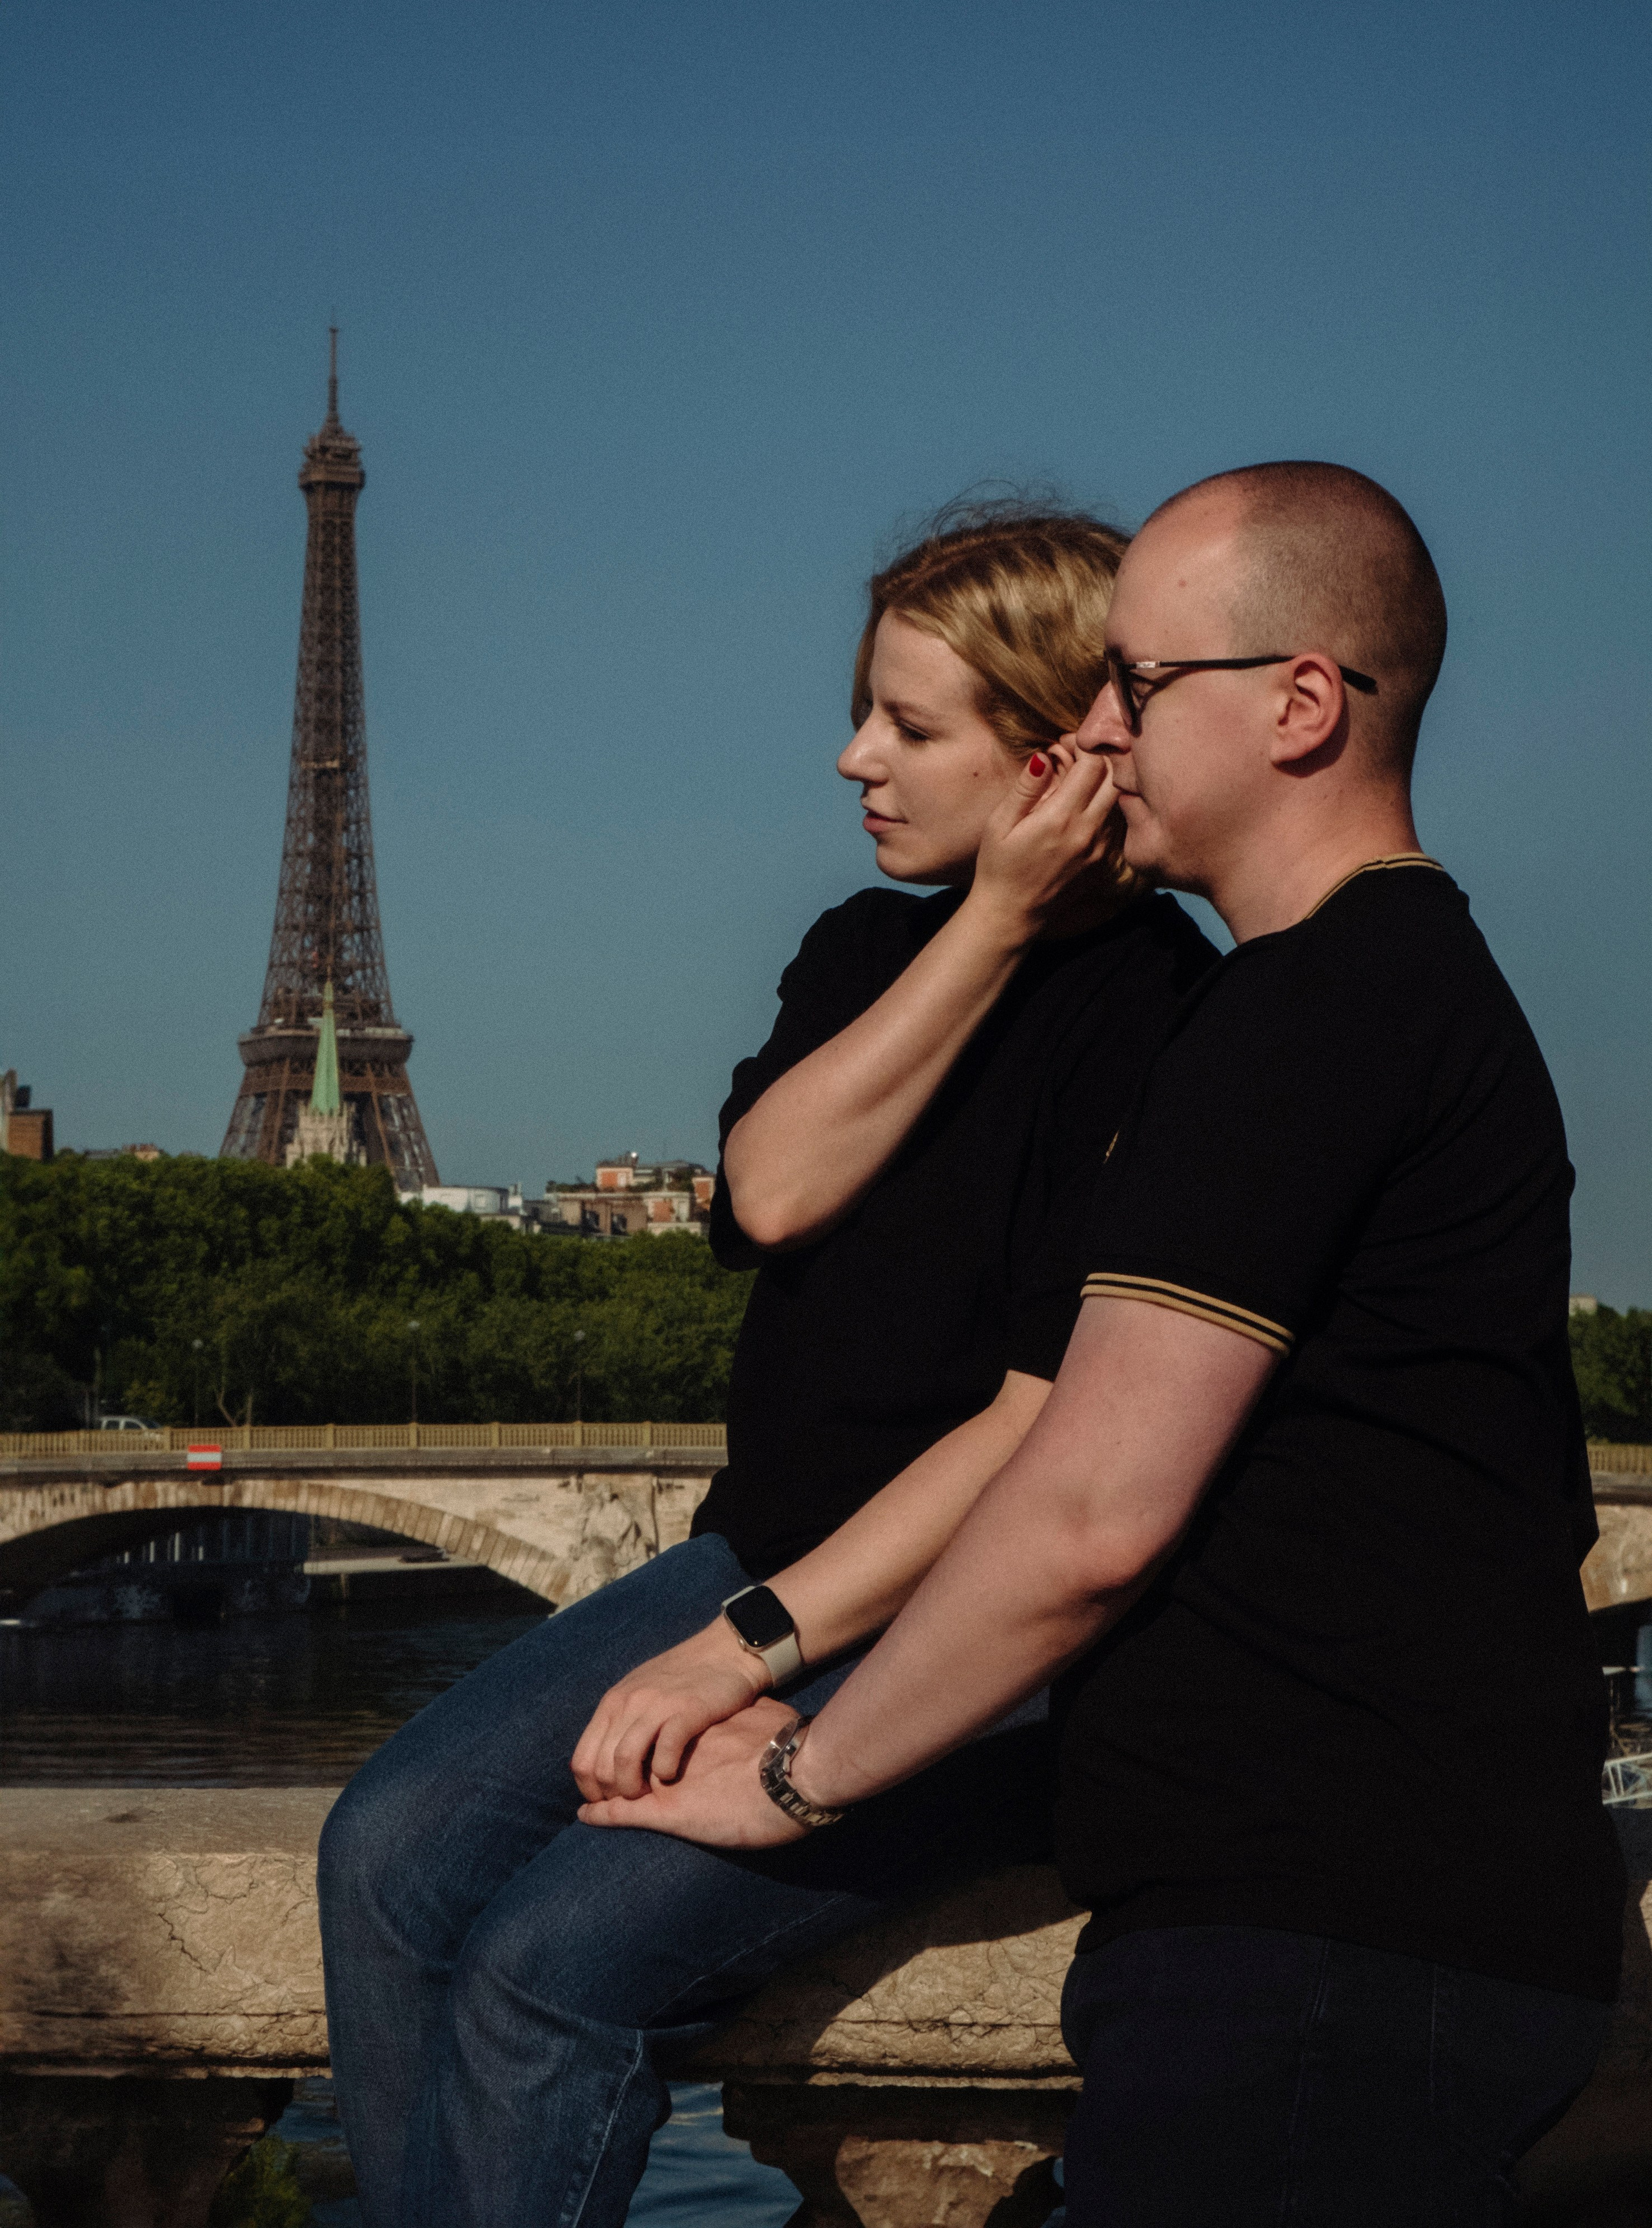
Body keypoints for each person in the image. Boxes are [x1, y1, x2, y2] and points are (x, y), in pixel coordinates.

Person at [584, 463, 1626, 2224]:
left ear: (1301, 702)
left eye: (1136, 684)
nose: (1098, 734)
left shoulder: (1312, 1015)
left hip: (1315, 1951)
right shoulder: (1357, 991)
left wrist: (793, 1772)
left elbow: (1090, 1513)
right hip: (1327, 1939)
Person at [316, 502, 1218, 2228]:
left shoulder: (1166, 1022)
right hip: (758, 1556)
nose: (851, 754)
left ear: (1052, 758)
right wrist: (991, 925)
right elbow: (774, 1189)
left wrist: (743, 1656)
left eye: (909, 724)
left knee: (547, 1966)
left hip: (972, 1640)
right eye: (864, 708)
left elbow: (1038, 1432)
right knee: (382, 1854)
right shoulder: (866, 950)